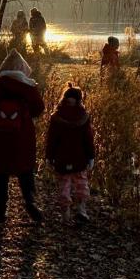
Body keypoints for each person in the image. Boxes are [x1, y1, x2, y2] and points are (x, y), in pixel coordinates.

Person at [0, 50, 45, 223]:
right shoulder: (29, 86)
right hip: (22, 135)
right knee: (25, 169)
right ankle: (30, 201)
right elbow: (39, 108)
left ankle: (1, 211)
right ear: (23, 68)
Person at [45, 83, 95, 222]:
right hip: (79, 157)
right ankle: (81, 210)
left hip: (61, 157)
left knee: (64, 185)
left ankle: (65, 214)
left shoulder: (57, 116)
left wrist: (49, 156)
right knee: (81, 183)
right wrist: (91, 157)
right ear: (79, 99)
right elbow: (88, 139)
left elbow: (51, 139)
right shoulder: (83, 116)